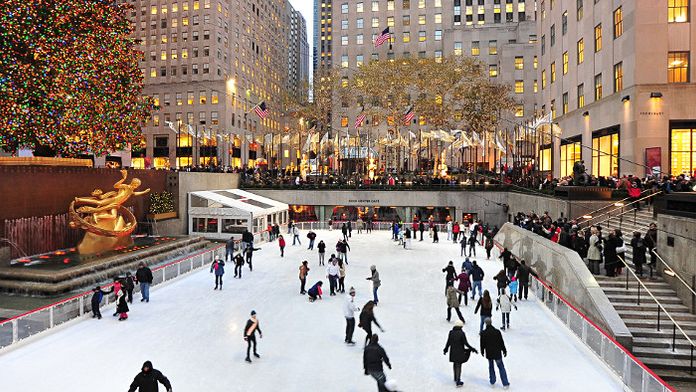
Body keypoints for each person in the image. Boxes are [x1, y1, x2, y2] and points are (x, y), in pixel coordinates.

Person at [443, 320, 478, 388]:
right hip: (460, 351)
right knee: (458, 365)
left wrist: (446, 349)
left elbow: (448, 342)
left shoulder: (451, 332)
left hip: (453, 351)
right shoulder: (462, 333)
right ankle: (458, 381)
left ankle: (455, 377)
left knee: (455, 363)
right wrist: (472, 349)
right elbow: (466, 343)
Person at [480, 318, 510, 388]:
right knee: (501, 367)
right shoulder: (497, 332)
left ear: (485, 323)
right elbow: (501, 342)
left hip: (489, 352)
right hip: (497, 352)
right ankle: (505, 383)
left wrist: (482, 351)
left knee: (491, 366)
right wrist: (504, 350)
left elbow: (482, 343)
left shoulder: (484, 333)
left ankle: (492, 381)